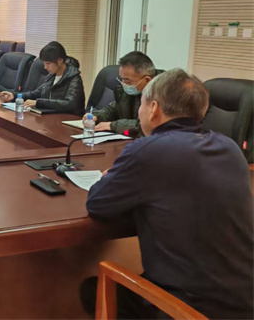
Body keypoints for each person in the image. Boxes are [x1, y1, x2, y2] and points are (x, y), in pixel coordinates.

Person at [82, 69, 253, 319]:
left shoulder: (147, 150)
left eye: (141, 105)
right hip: (245, 303)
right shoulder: (231, 148)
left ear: (153, 108)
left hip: (187, 310)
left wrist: (110, 177)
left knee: (92, 289)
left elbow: (97, 204)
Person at [0, 42, 85, 116]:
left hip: (68, 120)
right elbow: (35, 94)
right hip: (51, 117)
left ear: (60, 61)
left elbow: (70, 104)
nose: (45, 67)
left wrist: (39, 103)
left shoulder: (74, 79)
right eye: (44, 63)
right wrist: (14, 96)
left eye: (48, 63)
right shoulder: (52, 76)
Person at [85, 51, 155, 135]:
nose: (123, 83)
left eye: (127, 80)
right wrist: (96, 116)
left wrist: (113, 126)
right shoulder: (124, 91)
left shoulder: (162, 96)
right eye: (122, 79)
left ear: (147, 80)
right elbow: (112, 110)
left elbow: (147, 124)